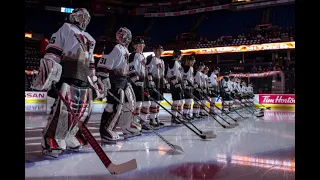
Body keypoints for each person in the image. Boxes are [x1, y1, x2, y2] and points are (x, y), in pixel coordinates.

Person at [31, 8, 104, 157]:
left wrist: (94, 80)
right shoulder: (66, 28)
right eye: (81, 17)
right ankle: (51, 139)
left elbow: (91, 63)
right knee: (63, 110)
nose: (83, 20)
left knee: (82, 111)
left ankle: (71, 135)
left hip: (83, 78)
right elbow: (53, 52)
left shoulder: (91, 38)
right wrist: (50, 72)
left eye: (86, 17)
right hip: (67, 75)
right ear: (74, 17)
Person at [96, 27, 138, 145]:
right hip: (114, 81)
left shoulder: (124, 49)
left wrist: (129, 78)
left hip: (123, 80)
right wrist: (104, 79)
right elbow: (103, 66)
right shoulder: (114, 47)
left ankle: (126, 126)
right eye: (122, 35)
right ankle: (105, 130)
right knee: (113, 106)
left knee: (129, 104)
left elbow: (125, 66)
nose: (124, 38)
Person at [128, 37, 153, 132]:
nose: (142, 46)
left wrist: (149, 81)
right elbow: (131, 68)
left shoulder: (142, 56)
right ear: (135, 46)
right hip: (136, 83)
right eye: (140, 45)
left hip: (143, 83)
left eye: (142, 45)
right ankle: (135, 123)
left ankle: (142, 123)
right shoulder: (133, 55)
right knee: (138, 104)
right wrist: (135, 79)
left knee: (147, 103)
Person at [145, 45, 166, 129]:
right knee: (154, 102)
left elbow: (163, 73)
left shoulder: (162, 61)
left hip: (160, 83)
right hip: (154, 82)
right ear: (155, 50)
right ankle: (152, 119)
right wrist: (150, 80)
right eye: (158, 50)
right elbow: (148, 70)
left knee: (159, 102)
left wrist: (164, 81)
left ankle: (156, 118)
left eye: (161, 50)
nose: (160, 51)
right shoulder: (152, 59)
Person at [166, 49, 184, 125]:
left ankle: (178, 116)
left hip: (179, 83)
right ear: (178, 55)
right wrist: (175, 83)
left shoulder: (178, 63)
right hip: (175, 84)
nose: (181, 56)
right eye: (181, 55)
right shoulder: (173, 62)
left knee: (179, 101)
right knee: (176, 101)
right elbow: (170, 74)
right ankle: (174, 117)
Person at [181, 56, 196, 120]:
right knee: (188, 101)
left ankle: (187, 114)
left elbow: (191, 77)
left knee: (189, 101)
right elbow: (184, 76)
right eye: (192, 61)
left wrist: (193, 84)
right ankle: (185, 114)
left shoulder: (191, 68)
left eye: (194, 61)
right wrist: (185, 83)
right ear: (188, 61)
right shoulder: (186, 67)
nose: (193, 62)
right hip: (187, 86)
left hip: (190, 86)